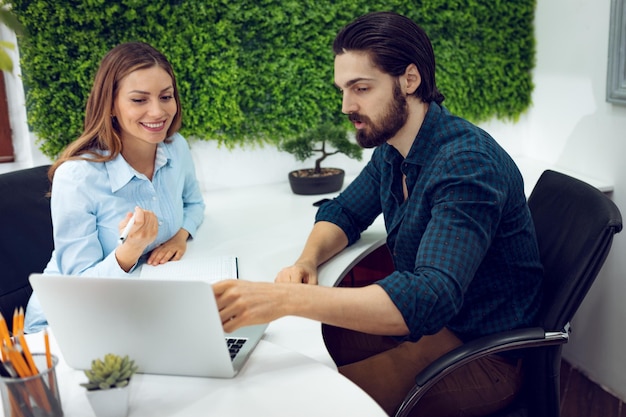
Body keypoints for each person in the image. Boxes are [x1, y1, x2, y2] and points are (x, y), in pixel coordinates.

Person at [213, 11, 542, 417]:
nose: (346, 105)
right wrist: (306, 261)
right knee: (297, 349)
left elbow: (428, 297)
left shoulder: (466, 164)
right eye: (343, 89)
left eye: (361, 88)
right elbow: (346, 212)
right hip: (434, 328)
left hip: (480, 352)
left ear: (409, 79)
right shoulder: (394, 148)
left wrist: (287, 298)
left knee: (308, 404)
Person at [25, 42, 205, 333]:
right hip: (68, 323)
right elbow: (79, 290)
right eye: (139, 100)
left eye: (166, 96)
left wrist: (180, 237)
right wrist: (130, 250)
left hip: (136, 308)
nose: (158, 111)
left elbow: (194, 204)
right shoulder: (77, 177)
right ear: (110, 104)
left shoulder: (176, 147)